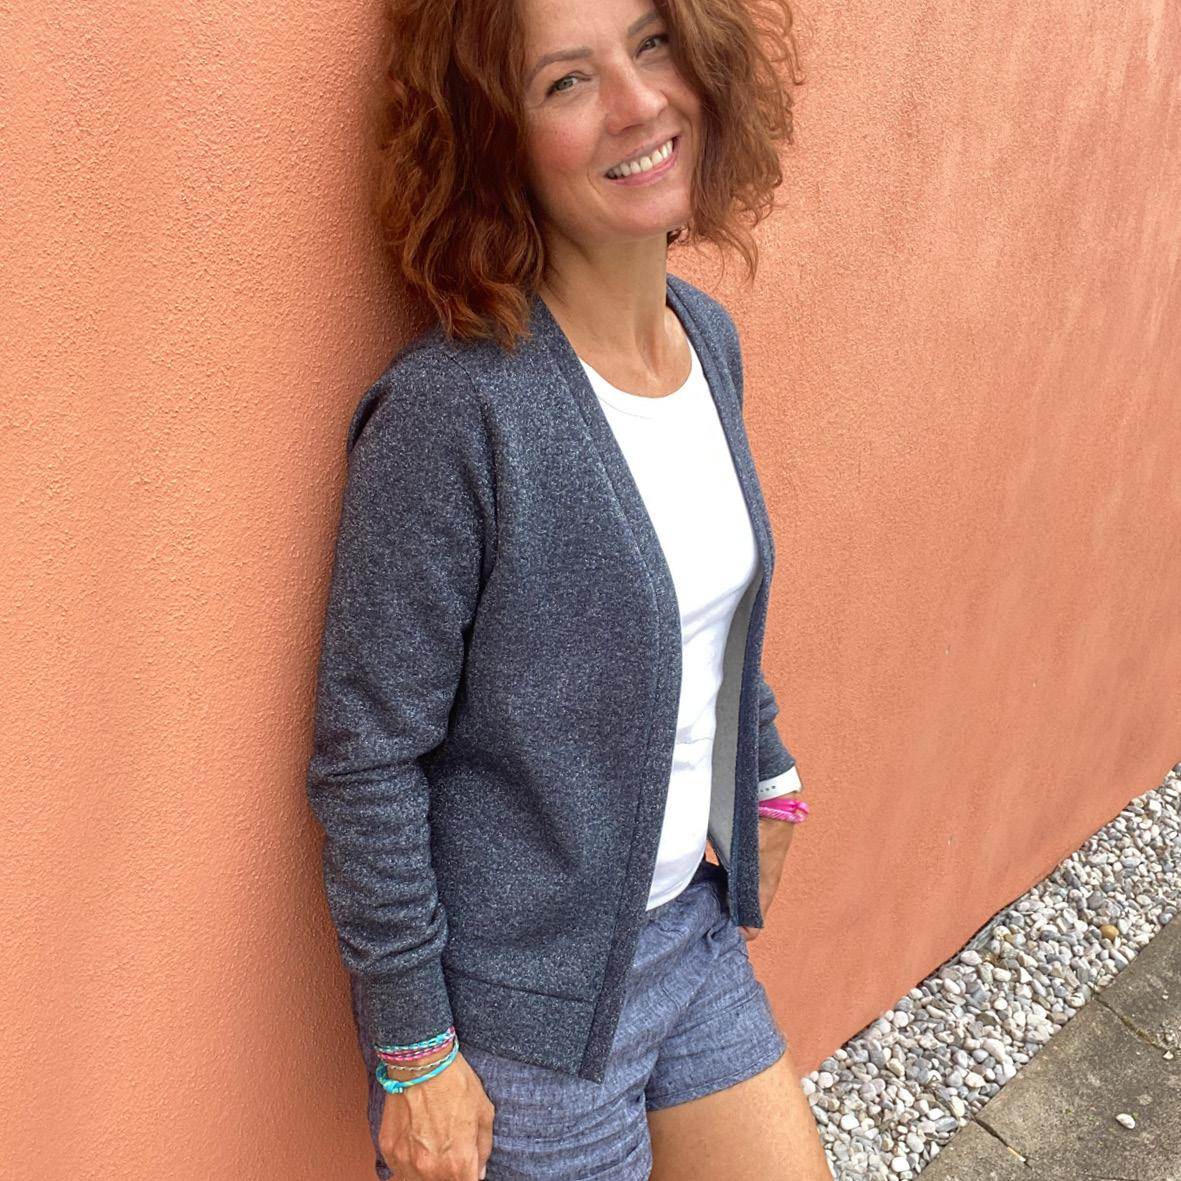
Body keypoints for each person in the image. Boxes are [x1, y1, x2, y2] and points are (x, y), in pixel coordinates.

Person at [306, 0, 833, 1177]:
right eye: (566, 82)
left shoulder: (704, 339)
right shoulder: (454, 412)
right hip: (521, 1027)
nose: (637, 104)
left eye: (650, 44)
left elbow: (701, 622)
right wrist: (413, 1051)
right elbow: (365, 757)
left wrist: (767, 774)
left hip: (688, 941)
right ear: (497, 141)